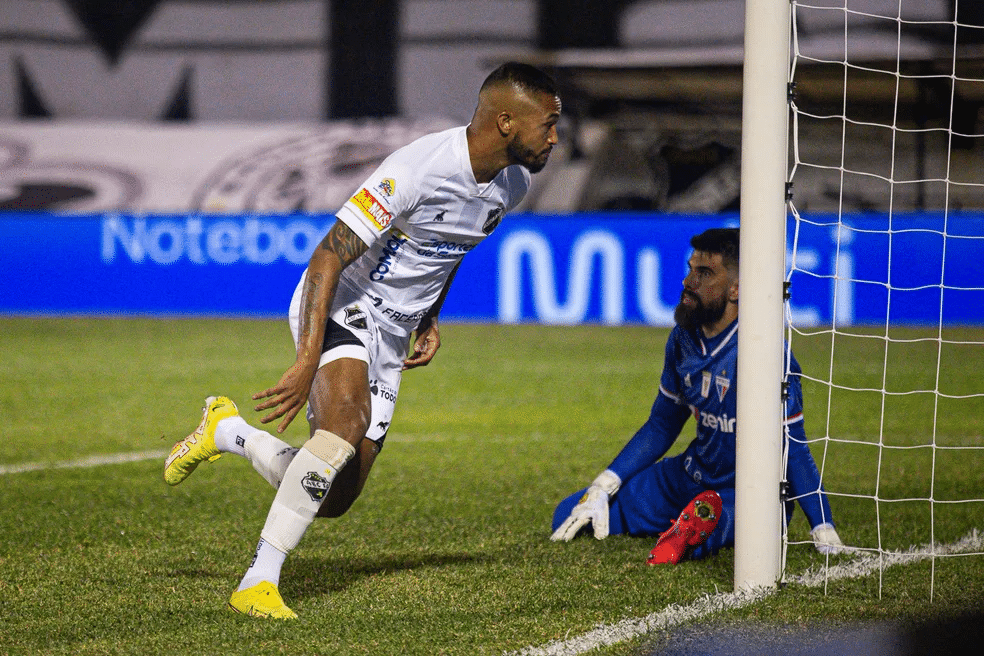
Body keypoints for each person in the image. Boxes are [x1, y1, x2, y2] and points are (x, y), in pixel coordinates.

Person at [163, 62, 562, 618]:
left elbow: (450, 249)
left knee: (334, 495)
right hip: (342, 301)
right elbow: (328, 255)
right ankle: (258, 581)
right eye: (548, 123)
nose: (554, 137)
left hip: (394, 331)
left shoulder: (512, 185)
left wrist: (429, 316)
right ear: (505, 122)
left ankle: (227, 431)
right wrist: (307, 360)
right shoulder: (417, 170)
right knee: (345, 426)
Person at [550, 227, 843, 563]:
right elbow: (662, 424)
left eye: (704, 273)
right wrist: (604, 485)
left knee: (722, 520)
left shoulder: (764, 350)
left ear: (736, 288)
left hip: (746, 493)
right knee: (567, 513)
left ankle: (694, 528)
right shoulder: (683, 338)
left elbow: (793, 445)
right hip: (689, 477)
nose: (689, 281)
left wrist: (822, 525)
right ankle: (686, 522)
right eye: (691, 269)